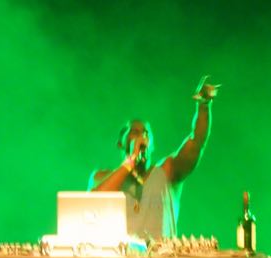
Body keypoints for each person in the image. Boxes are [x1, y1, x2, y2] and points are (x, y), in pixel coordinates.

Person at [88, 76, 219, 240]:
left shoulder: (167, 170)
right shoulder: (102, 176)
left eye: (146, 134)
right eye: (135, 132)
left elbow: (197, 141)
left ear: (152, 146)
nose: (142, 136)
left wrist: (204, 105)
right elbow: (90, 207)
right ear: (120, 144)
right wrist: (130, 162)